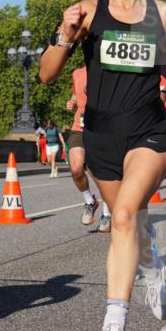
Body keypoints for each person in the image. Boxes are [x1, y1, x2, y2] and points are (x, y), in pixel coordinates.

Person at [39, 0, 166, 331]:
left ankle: (113, 330)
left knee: (121, 216)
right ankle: (153, 266)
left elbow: (163, 62)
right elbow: (47, 74)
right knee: (132, 224)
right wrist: (65, 34)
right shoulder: (85, 11)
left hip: (148, 130)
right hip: (101, 133)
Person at [65, 66, 110, 231]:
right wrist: (72, 102)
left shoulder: (108, 70)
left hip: (102, 129)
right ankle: (90, 201)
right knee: (76, 168)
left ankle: (107, 213)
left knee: (101, 176)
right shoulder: (77, 72)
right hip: (79, 127)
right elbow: (76, 94)